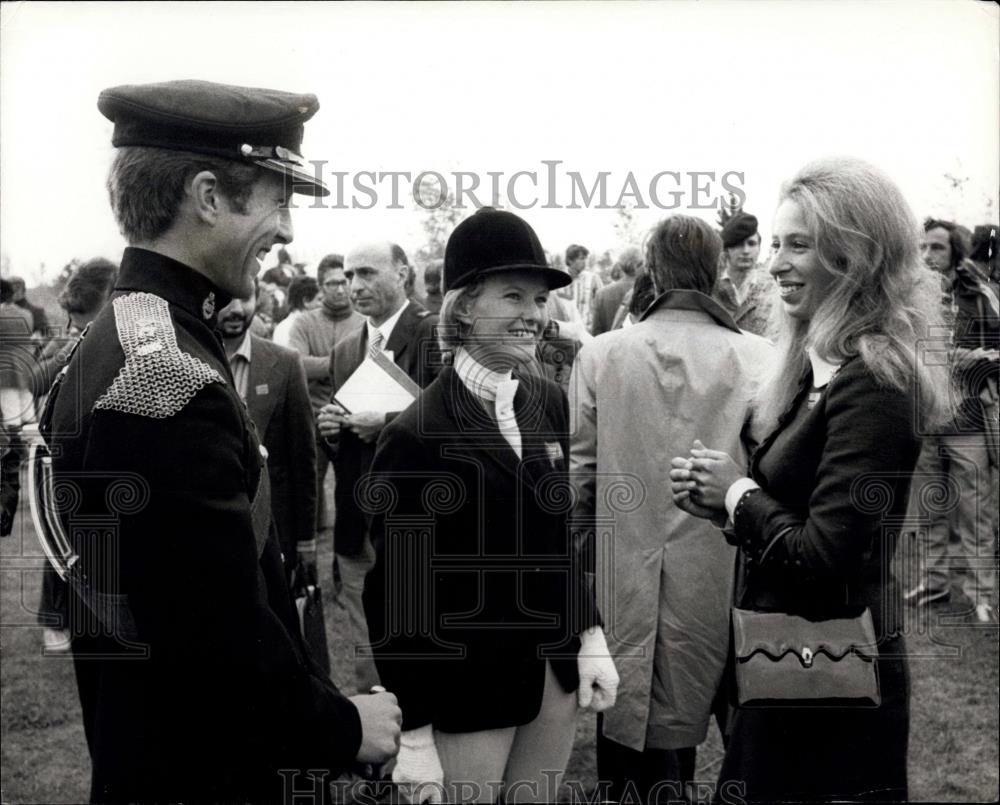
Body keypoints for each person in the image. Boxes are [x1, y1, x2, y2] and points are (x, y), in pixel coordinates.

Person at [43, 79, 401, 803]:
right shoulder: (164, 376)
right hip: (201, 770)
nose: (290, 231)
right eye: (277, 198)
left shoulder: (128, 336)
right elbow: (216, 638)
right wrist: (342, 724)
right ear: (208, 196)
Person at [668, 157, 952, 802]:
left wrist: (738, 495)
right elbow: (805, 515)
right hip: (790, 664)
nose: (773, 263)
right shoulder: (820, 372)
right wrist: (729, 505)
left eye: (799, 245)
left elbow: (828, 557)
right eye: (775, 243)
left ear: (855, 257)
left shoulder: (876, 379)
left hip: (831, 680)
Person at [363, 208, 618, 804]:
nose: (533, 314)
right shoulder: (416, 434)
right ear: (464, 307)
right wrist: (418, 732)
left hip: (552, 678)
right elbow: (398, 596)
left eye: (539, 299)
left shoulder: (548, 402)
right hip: (467, 690)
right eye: (514, 296)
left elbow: (555, 540)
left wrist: (588, 632)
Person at [570, 216, 773, 804]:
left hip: (623, 576)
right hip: (728, 575)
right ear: (714, 273)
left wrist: (576, 578)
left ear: (651, 271)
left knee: (630, 736)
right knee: (735, 720)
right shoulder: (758, 357)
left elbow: (579, 483)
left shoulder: (602, 355)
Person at [316, 241, 439, 694]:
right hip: (358, 522)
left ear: (403, 273)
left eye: (367, 272)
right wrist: (331, 429)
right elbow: (345, 446)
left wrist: (386, 423)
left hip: (418, 519)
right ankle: (378, 744)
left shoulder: (434, 333)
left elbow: (455, 423)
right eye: (349, 276)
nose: (355, 285)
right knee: (365, 645)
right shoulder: (346, 350)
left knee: (420, 642)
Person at [904, 218, 999, 622]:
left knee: (974, 511)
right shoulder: (909, 296)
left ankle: (982, 595)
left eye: (937, 248)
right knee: (930, 509)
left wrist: (963, 358)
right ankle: (934, 582)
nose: (927, 256)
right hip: (926, 419)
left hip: (969, 421)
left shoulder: (978, 298)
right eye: (923, 247)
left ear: (955, 252)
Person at [32, 258, 118, 652]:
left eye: (84, 320)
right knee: (63, 536)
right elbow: (30, 379)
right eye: (71, 319)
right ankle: (53, 617)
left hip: (107, 453)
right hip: (67, 450)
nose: (72, 329)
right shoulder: (70, 339)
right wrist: (67, 352)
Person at [217, 281, 317, 584]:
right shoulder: (187, 360)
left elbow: (303, 458)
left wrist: (306, 540)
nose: (236, 309)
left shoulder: (285, 364)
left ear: (257, 299)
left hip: (274, 533)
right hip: (214, 530)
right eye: (227, 298)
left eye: (245, 298)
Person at [712, 212, 775, 336]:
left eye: (751, 244)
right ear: (727, 249)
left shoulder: (771, 290)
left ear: (759, 248)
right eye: (739, 244)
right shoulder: (712, 288)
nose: (746, 251)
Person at [590, 246, 642, 336]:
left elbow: (596, 332)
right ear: (640, 264)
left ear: (620, 265)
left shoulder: (602, 294)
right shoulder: (648, 292)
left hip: (608, 347)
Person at [273, 274, 320, 347]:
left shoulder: (282, 327)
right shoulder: (294, 330)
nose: (323, 304)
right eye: (319, 299)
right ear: (306, 301)